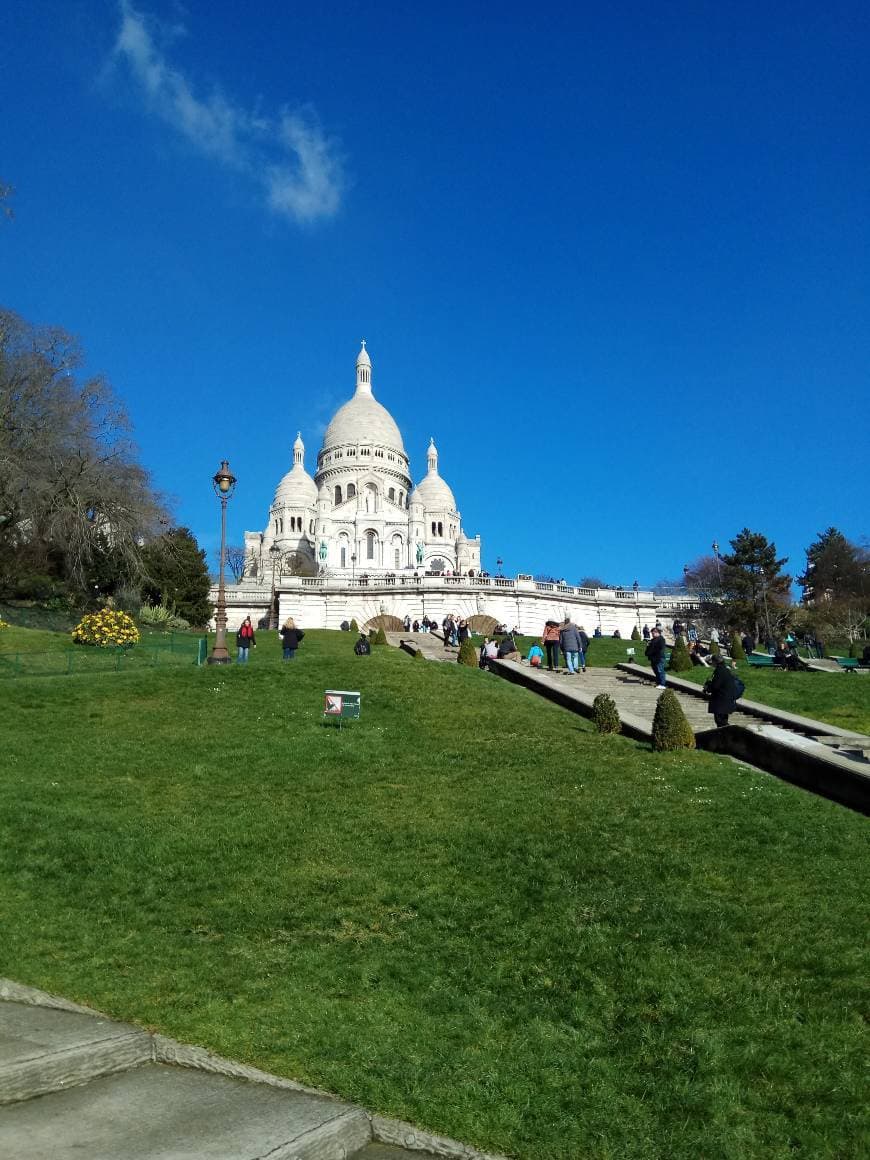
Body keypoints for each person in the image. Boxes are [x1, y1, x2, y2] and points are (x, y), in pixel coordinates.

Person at [704, 654, 741, 726]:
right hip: (726, 700)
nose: (712, 663)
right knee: (723, 721)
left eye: (712, 661)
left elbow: (715, 686)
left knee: (720, 721)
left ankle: (729, 735)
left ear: (715, 662)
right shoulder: (726, 670)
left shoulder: (719, 671)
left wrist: (708, 687)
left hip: (721, 701)